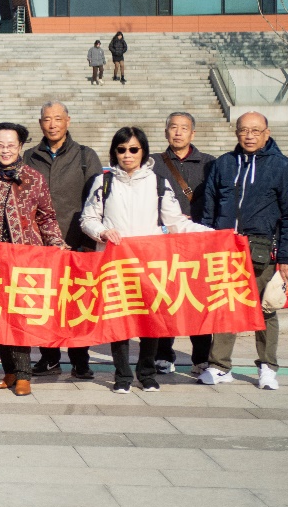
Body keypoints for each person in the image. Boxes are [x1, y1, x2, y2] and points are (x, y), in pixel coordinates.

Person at [79, 127, 211, 394]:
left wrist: (214, 234)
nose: (127, 155)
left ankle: (147, 372)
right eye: (121, 149)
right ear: (114, 152)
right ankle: (122, 375)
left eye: (133, 149)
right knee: (118, 320)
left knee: (150, 319)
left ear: (143, 151)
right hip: (114, 262)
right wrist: (102, 232)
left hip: (149, 263)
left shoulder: (158, 182)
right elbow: (87, 219)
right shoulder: (103, 182)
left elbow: (176, 223)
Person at [0, 123, 66, 397]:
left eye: (11, 145)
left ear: (20, 147)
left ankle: (23, 374)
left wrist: (57, 243)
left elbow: (46, 217)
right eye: (0, 145)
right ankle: (9, 370)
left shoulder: (34, 178)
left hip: (24, 261)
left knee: (19, 316)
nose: (5, 150)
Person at [199, 112, 288, 391]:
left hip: (261, 248)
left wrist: (287, 257)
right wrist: (205, 243)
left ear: (267, 133)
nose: (249, 136)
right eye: (244, 130)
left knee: (264, 308)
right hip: (224, 246)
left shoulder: (282, 166)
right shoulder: (223, 164)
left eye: (256, 131)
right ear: (236, 132)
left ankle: (267, 367)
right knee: (225, 306)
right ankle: (219, 366)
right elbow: (209, 208)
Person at [23, 101, 102, 379]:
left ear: (68, 120)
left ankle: (81, 359)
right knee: (45, 302)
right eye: (47, 119)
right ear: (40, 123)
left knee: (78, 302)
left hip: (76, 241)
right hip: (41, 245)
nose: (53, 124)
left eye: (58, 118)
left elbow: (97, 200)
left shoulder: (85, 156)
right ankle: (49, 357)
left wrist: (87, 241)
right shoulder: (29, 156)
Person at [150, 111, 218, 375]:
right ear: (166, 131)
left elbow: (217, 199)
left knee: (198, 300)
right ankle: (163, 354)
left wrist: (203, 225)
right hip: (164, 242)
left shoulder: (209, 163)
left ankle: (201, 357)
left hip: (197, 242)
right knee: (164, 298)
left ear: (193, 133)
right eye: (173, 127)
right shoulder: (153, 163)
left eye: (184, 128)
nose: (178, 132)